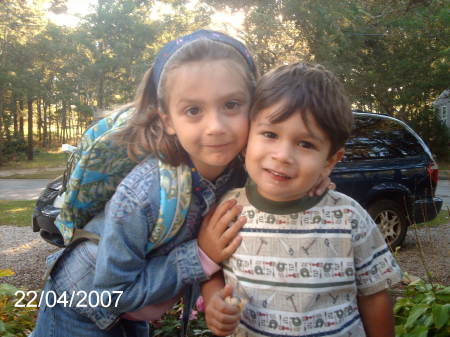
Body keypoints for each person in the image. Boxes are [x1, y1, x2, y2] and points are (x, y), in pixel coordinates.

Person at [30, 30, 332, 337]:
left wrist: (311, 178)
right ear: (168, 121)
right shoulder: (144, 193)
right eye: (193, 110)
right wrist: (200, 254)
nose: (216, 126)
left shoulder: (240, 171)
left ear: (253, 108)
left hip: (133, 314)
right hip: (79, 305)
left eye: (231, 104)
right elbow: (112, 293)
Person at [201, 63, 402, 337]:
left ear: (330, 160)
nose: (283, 155)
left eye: (305, 144)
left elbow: (374, 294)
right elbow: (212, 270)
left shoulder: (348, 217)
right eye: (270, 134)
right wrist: (214, 301)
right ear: (247, 136)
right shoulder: (228, 209)